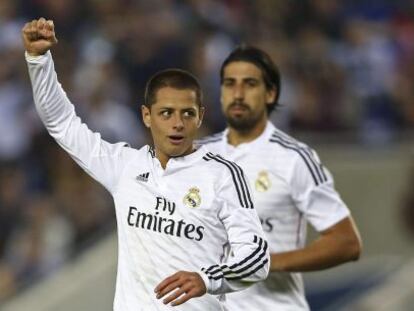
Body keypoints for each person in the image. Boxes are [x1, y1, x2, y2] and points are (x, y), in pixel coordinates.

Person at [22, 19, 269, 311]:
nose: (177, 123)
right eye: (166, 113)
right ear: (146, 116)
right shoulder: (125, 167)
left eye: (187, 113)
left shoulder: (222, 175)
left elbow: (257, 258)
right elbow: (61, 123)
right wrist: (38, 60)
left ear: (200, 116)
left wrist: (208, 278)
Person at [198, 46, 363, 310]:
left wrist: (266, 263)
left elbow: (346, 243)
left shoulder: (294, 158)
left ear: (270, 93)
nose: (238, 94)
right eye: (230, 84)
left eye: (249, 84)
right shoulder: (196, 155)